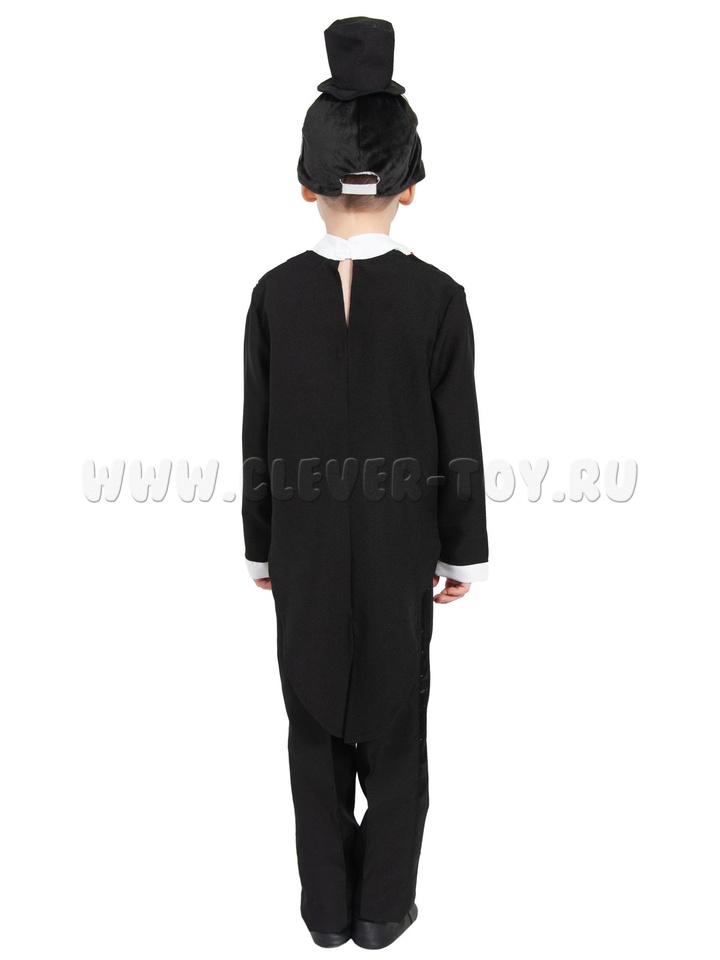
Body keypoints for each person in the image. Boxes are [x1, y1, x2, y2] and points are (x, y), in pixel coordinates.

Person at [241, 16, 489, 950]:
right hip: (400, 554)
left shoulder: (274, 295)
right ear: (411, 186)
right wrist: (462, 551)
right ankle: (382, 909)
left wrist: (261, 544)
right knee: (399, 733)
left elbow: (256, 435)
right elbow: (458, 439)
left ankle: (324, 911)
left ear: (304, 183)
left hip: (303, 553)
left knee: (311, 733)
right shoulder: (439, 300)